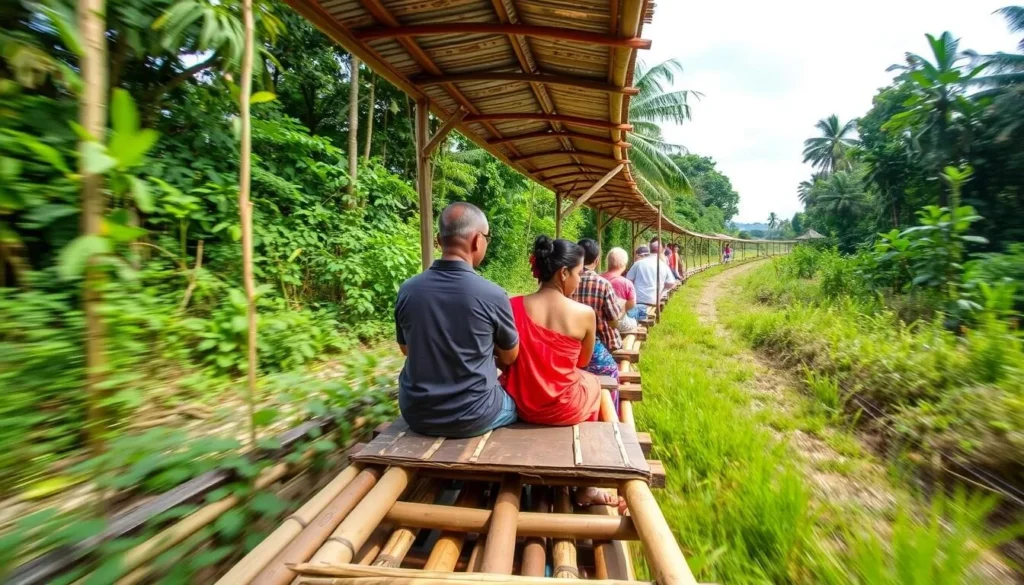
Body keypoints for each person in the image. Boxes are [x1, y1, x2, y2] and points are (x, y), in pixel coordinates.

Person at [500, 235, 624, 509]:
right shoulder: (584, 314)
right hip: (562, 408)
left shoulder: (512, 306)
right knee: (595, 386)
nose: (580, 280)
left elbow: (505, 358)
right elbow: (582, 362)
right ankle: (588, 484)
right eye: (579, 274)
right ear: (563, 272)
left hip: (522, 404)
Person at [394, 202, 519, 438]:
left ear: (439, 240)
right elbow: (510, 356)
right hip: (476, 415)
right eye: (487, 238)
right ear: (476, 241)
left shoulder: (408, 290)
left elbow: (406, 349)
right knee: (522, 403)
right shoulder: (492, 294)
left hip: (416, 413)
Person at [571, 239, 623, 381]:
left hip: (574, 344)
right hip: (603, 344)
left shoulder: (566, 281)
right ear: (597, 260)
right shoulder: (603, 284)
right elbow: (613, 321)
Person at [601, 247, 643, 331]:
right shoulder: (626, 283)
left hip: (599, 321)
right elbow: (632, 304)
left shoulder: (598, 278)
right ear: (623, 265)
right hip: (617, 323)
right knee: (636, 314)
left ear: (608, 262)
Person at [626, 239, 677, 307]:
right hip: (654, 300)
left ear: (649, 249)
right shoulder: (663, 265)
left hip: (638, 300)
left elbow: (628, 280)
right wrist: (662, 292)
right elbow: (671, 283)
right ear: (661, 251)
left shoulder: (638, 264)